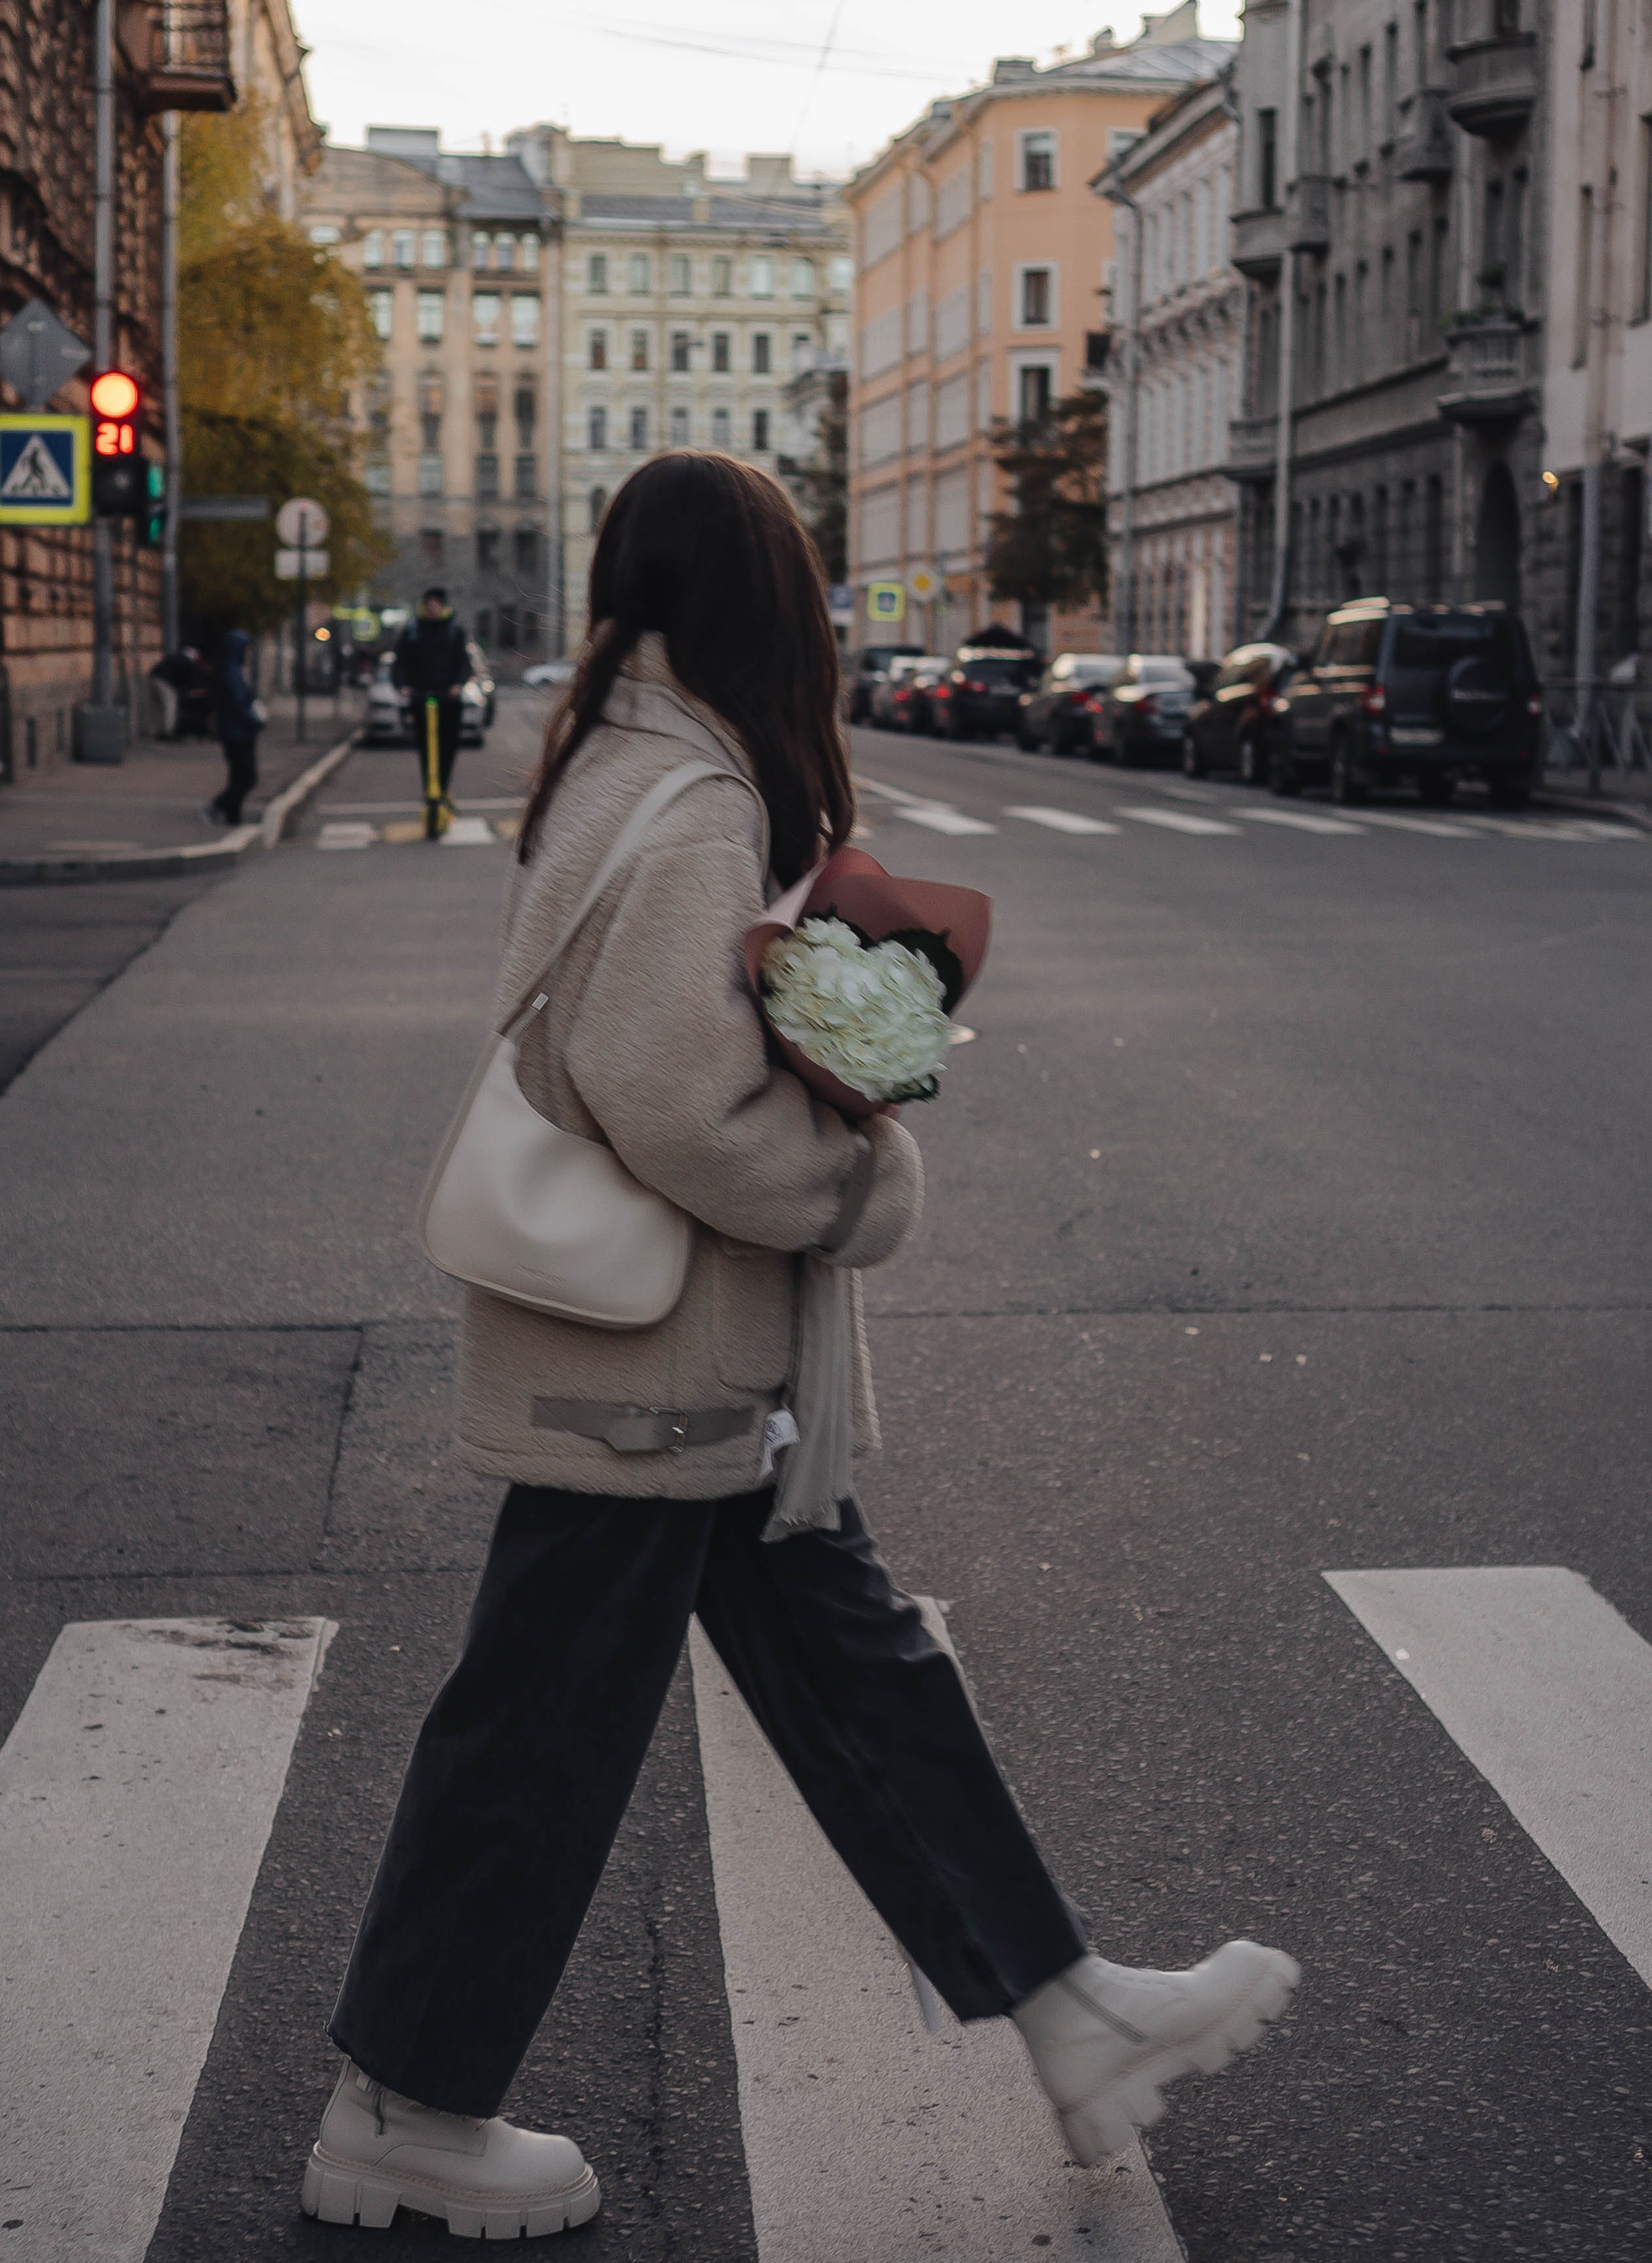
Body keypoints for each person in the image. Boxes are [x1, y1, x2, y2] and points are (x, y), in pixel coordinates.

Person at [301, 454, 1298, 2241]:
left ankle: (1067, 2013)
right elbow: (673, 1097)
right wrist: (861, 1180)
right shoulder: (688, 802)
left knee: (865, 1678)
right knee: (538, 1735)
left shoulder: (623, 761)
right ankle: (402, 2112)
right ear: (770, 608)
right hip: (650, 1370)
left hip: (691, 1372)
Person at [395, 584, 470, 837]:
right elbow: (400, 662)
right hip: (421, 698)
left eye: (437, 604)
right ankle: (431, 792)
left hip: (449, 700)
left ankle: (443, 789)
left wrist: (458, 684)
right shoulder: (413, 631)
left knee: (447, 749)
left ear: (443, 606)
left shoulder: (454, 631)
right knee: (427, 751)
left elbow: (464, 663)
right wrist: (403, 686)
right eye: (430, 604)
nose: (433, 608)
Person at [206, 629, 264, 827]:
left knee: (239, 777)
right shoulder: (231, 672)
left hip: (237, 732)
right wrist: (254, 721)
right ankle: (218, 806)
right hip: (238, 733)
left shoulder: (232, 670)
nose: (248, 652)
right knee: (247, 778)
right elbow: (238, 704)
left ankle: (233, 816)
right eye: (246, 648)